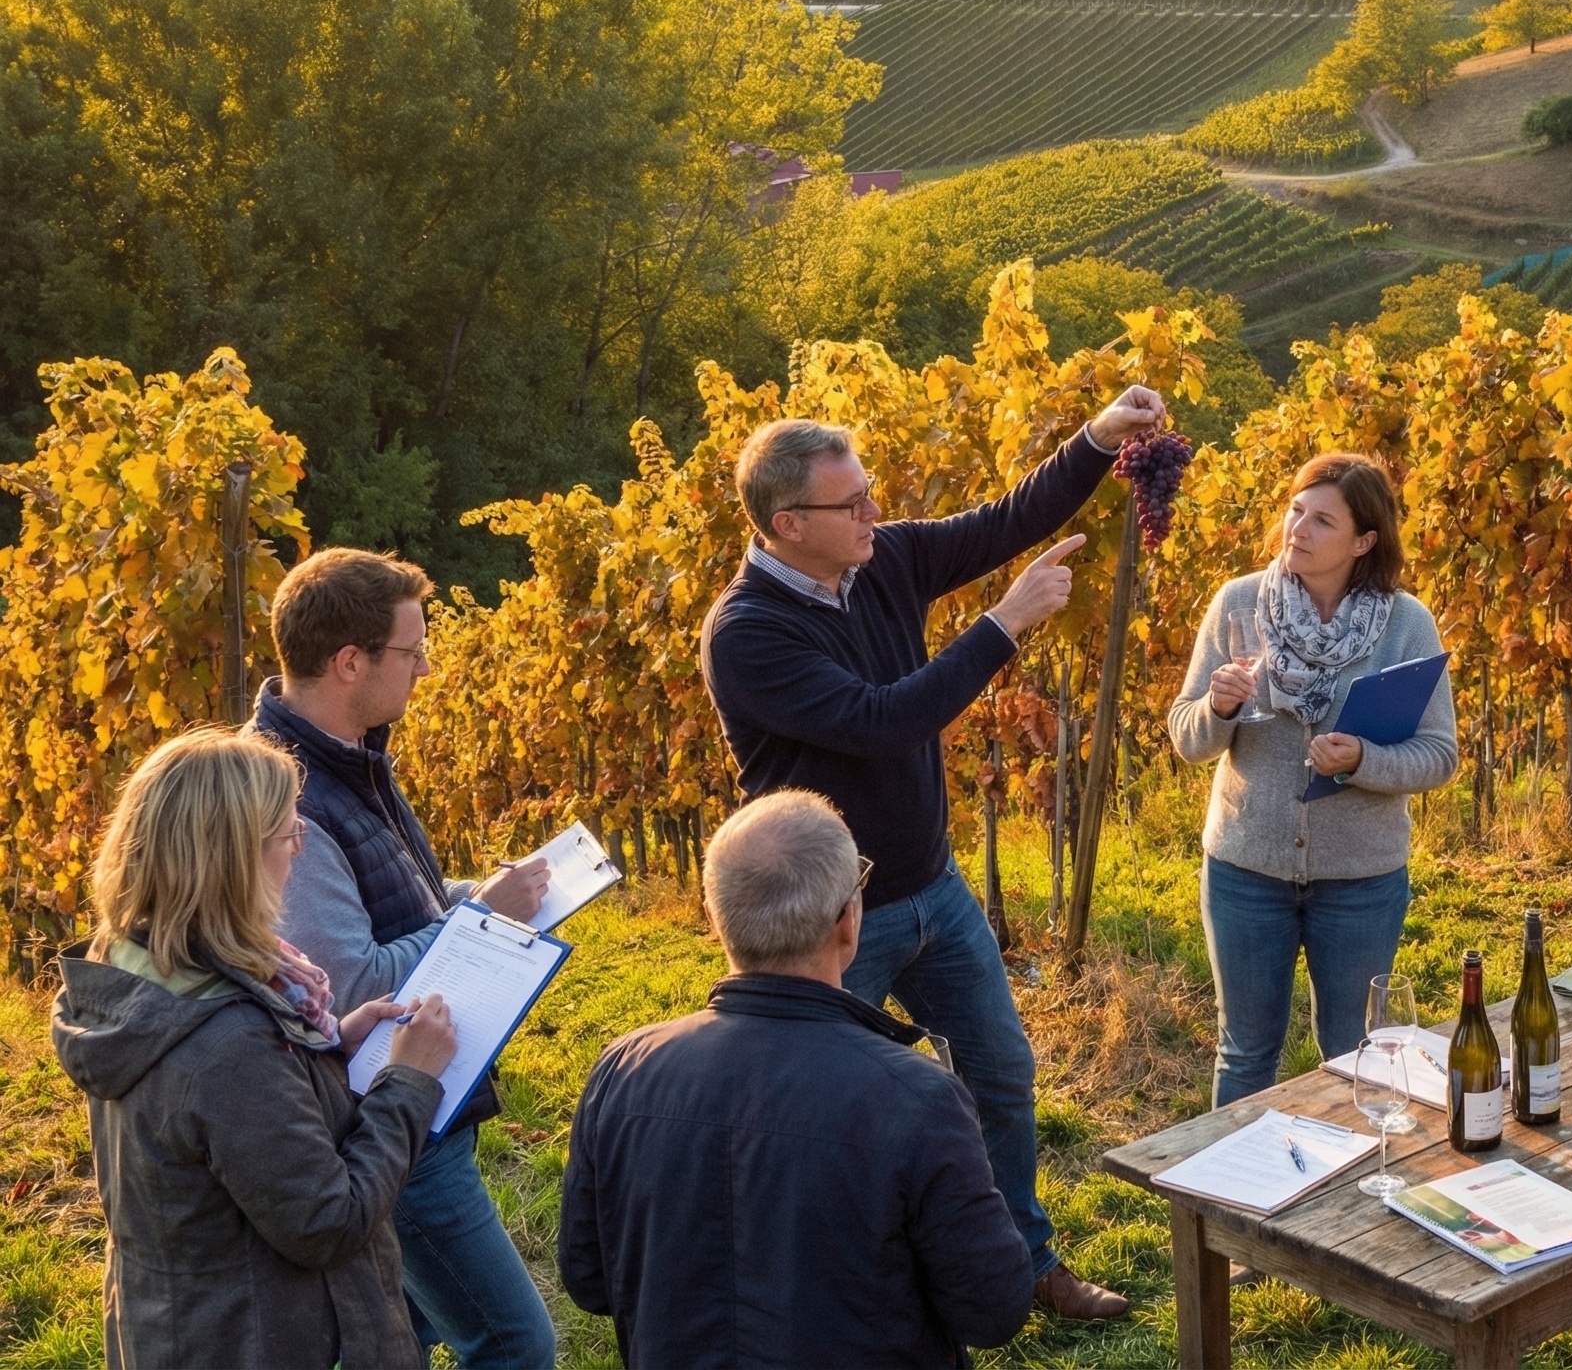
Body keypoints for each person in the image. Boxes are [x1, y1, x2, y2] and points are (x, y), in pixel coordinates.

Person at [698, 386, 1166, 1322]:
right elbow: (883, 723)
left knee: (1000, 1075)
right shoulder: (748, 634)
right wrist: (1005, 625)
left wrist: (1093, 440)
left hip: (930, 892)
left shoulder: (880, 557)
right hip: (819, 922)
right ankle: (844, 1298)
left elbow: (1002, 522)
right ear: (788, 524)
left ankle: (1022, 1263)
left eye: (871, 492)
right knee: (821, 1122)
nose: (877, 511)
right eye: (854, 502)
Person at [559, 791, 1032, 1368]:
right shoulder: (919, 1098)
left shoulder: (621, 1071)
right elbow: (994, 1309)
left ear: (713, 921)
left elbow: (587, 1280)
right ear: (848, 921)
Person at [52, 728, 461, 1370]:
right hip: (265, 1338)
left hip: (179, 1326)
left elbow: (242, 1131)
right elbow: (328, 1221)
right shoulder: (224, 1042)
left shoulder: (136, 969)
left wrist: (326, 1046)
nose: (298, 852)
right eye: (286, 834)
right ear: (231, 857)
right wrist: (408, 1081)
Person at [258, 547, 558, 1370]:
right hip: (394, 1120)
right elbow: (351, 988)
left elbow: (390, 903)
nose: (425, 669)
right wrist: (481, 921)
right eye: (412, 652)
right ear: (350, 662)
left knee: (402, 1337)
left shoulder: (349, 759)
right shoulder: (297, 802)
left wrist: (474, 896)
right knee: (514, 1341)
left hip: (413, 1107)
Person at [1167, 453, 1457, 1107]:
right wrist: (1218, 707)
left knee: (1357, 1060)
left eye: (1322, 520)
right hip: (1246, 870)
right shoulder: (1239, 605)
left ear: (1364, 541)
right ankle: (1233, 1201)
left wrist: (1362, 760)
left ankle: (1348, 1201)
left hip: (1361, 881)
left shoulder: (1407, 625)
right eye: (1296, 510)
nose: (1298, 528)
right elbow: (1187, 738)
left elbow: (1439, 755)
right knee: (1245, 1055)